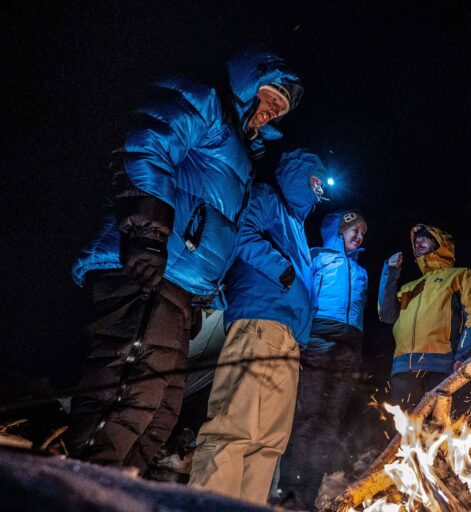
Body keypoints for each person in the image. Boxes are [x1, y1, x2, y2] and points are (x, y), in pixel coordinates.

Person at [67, 46, 302, 474]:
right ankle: (75, 499)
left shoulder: (242, 156)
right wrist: (147, 233)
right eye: (269, 98)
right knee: (128, 392)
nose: (271, 112)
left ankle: (118, 500)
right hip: (150, 267)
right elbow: (146, 144)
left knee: (161, 410)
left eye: (279, 109)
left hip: (181, 288)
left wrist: (201, 296)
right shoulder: (204, 103)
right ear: (250, 83)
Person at [187, 149, 325, 504]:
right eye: (316, 179)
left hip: (288, 339)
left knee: (269, 440)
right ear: (299, 174)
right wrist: (283, 268)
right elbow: (242, 233)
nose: (320, 188)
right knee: (234, 425)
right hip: (258, 323)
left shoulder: (297, 226)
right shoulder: (268, 197)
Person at [278, 210, 369, 510]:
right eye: (352, 230)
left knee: (331, 422)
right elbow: (300, 294)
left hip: (348, 347)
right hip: (318, 340)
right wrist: (300, 335)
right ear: (336, 231)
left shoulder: (360, 272)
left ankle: (309, 495)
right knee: (307, 417)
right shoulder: (318, 258)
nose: (358, 236)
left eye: (361, 233)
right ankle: (288, 491)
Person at [378, 225, 471, 409]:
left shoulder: (461, 275)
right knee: (403, 432)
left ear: (439, 243)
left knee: (438, 430)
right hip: (403, 368)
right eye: (416, 241)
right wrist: (389, 274)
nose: (418, 243)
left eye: (424, 239)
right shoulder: (408, 287)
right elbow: (386, 315)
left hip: (442, 365)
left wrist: (464, 355)